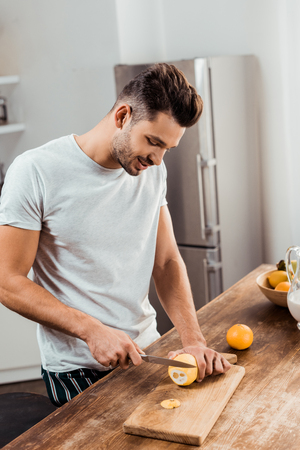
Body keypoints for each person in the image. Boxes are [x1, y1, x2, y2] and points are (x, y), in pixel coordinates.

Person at [0, 63, 231, 406]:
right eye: (153, 142)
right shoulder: (36, 171)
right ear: (123, 116)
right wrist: (91, 330)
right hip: (76, 368)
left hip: (147, 350)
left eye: (167, 148)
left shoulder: (153, 170)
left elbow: (166, 262)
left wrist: (193, 340)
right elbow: (8, 281)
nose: (157, 158)